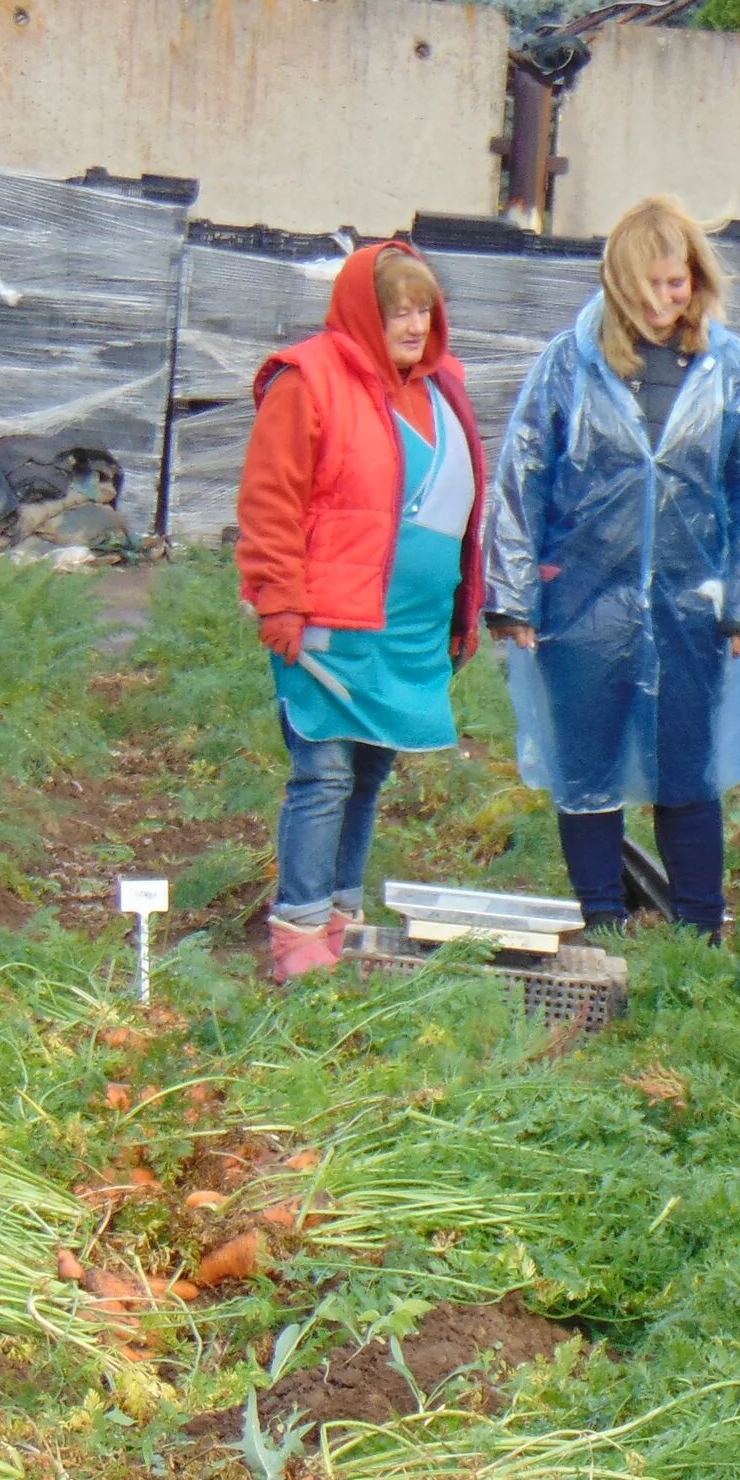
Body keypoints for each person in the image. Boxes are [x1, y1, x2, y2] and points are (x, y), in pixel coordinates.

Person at [482, 195, 740, 937]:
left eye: (675, 283)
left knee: (689, 773)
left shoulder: (730, 368)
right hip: (582, 604)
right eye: (647, 285)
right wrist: (514, 598)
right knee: (587, 773)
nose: (663, 300)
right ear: (618, 283)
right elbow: (525, 474)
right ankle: (603, 922)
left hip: (691, 606)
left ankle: (700, 932)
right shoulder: (570, 362)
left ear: (697, 279)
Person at [237, 241, 490, 983]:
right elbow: (272, 498)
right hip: (329, 624)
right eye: (396, 311)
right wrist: (278, 598)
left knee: (370, 775)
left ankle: (341, 921)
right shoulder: (309, 379)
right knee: (324, 774)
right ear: (362, 314)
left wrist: (459, 615)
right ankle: (301, 934)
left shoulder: (444, 390)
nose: (414, 324)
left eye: (423, 309)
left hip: (406, 632)